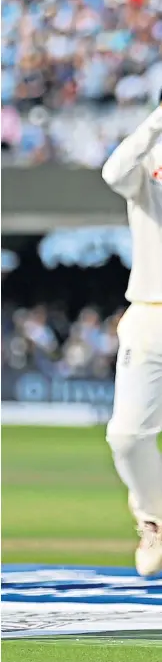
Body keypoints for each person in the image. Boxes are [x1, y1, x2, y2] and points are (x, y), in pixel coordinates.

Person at [102, 92, 162, 576]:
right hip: (150, 309)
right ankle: (155, 519)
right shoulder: (150, 157)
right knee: (125, 436)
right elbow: (112, 172)